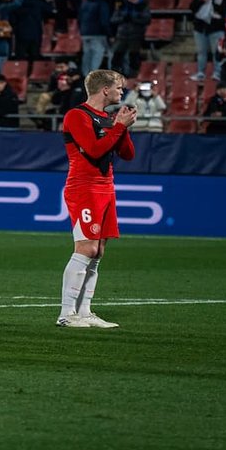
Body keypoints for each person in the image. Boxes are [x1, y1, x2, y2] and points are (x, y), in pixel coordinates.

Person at [57, 70, 136, 329]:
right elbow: (93, 149)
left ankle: (85, 311)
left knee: (98, 251)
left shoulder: (108, 118)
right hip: (84, 187)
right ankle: (67, 313)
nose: (121, 92)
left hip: (106, 187)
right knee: (86, 248)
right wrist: (118, 128)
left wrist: (121, 128)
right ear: (105, 90)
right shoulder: (77, 115)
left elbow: (127, 154)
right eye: (118, 88)